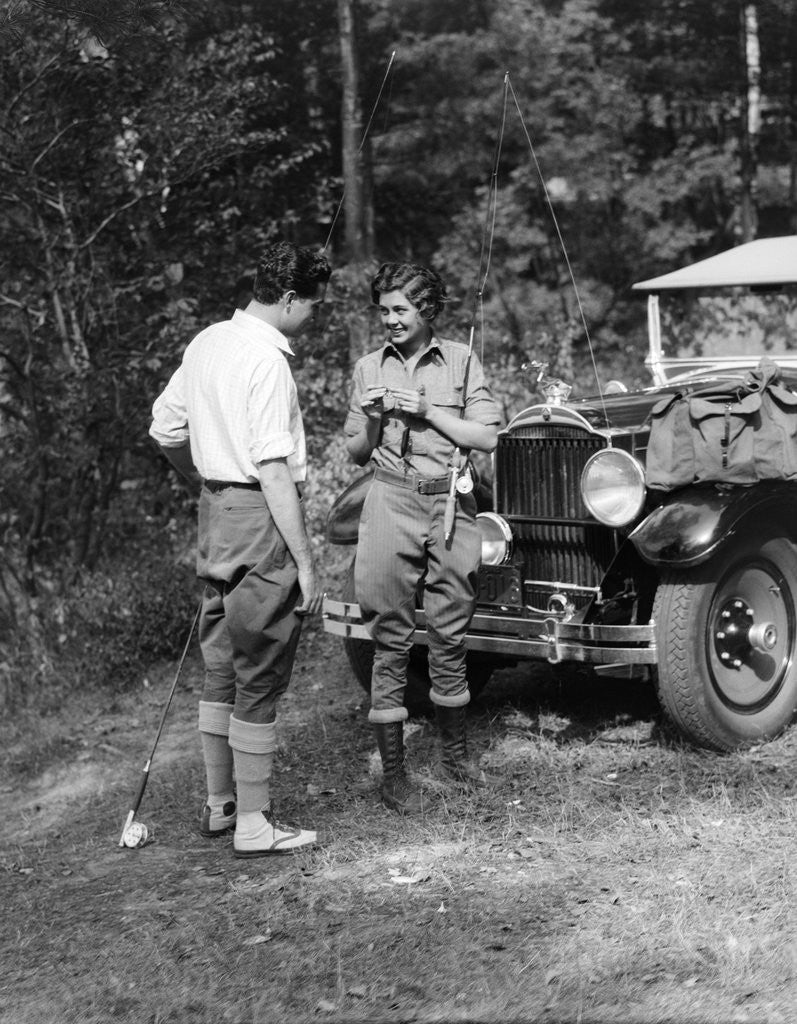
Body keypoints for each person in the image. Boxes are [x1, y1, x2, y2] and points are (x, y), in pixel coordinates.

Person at [149, 240, 331, 857]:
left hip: (215, 512)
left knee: (222, 663)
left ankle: (220, 804)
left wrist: (207, 479)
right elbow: (274, 468)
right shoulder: (267, 361)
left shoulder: (206, 341)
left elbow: (164, 427)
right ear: (286, 298)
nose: (312, 316)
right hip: (258, 515)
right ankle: (254, 824)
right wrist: (307, 563)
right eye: (311, 305)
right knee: (259, 666)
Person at [344, 262, 502, 814]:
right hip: (389, 498)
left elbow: (486, 435)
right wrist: (370, 421)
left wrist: (428, 410)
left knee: (449, 633)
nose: (390, 320)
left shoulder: (460, 361)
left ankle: (455, 760)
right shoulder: (368, 367)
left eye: (401, 310)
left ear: (428, 309)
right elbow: (356, 452)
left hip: (452, 505)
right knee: (387, 638)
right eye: (383, 310)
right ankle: (394, 776)